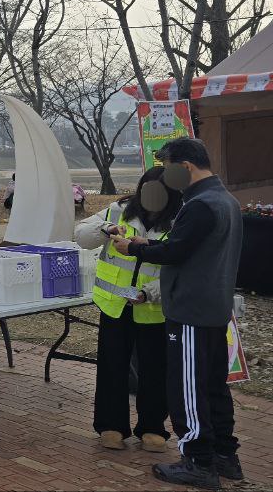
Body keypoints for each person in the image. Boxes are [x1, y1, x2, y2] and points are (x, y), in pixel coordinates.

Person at [113, 138, 244, 488]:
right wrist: (145, 243)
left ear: (185, 168)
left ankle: (198, 462)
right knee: (214, 386)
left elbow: (175, 253)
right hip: (214, 309)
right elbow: (187, 246)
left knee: (188, 389)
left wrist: (133, 249)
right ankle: (225, 456)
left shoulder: (200, 205)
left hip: (190, 311)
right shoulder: (225, 200)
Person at [75, 166, 182, 453]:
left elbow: (178, 270)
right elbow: (81, 235)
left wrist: (148, 294)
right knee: (112, 366)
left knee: (154, 370)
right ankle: (111, 426)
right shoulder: (118, 210)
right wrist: (105, 230)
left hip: (154, 309)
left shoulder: (179, 223)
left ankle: (152, 427)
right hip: (115, 305)